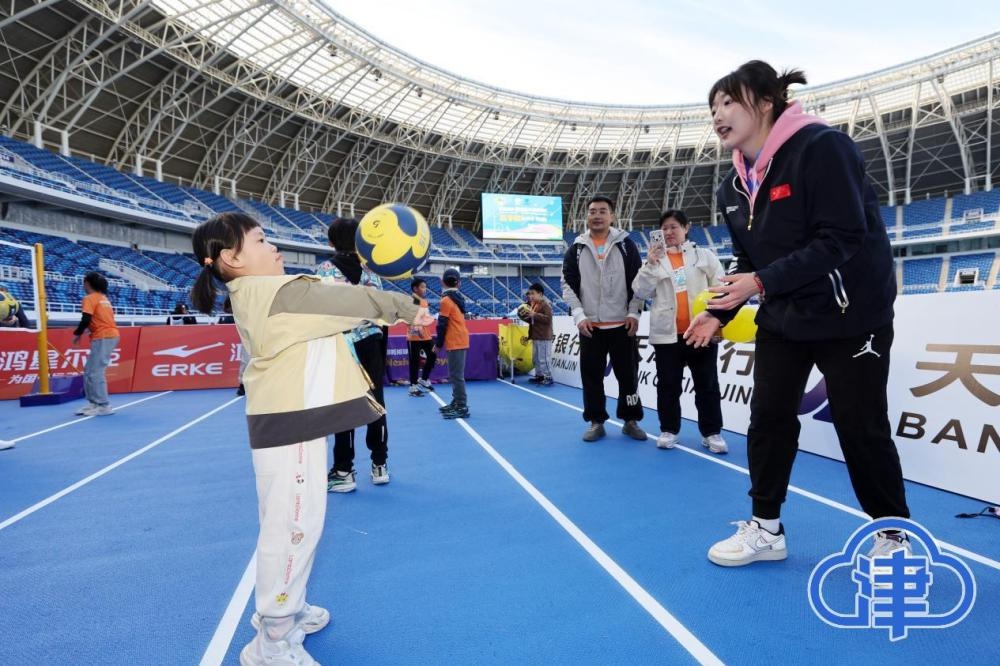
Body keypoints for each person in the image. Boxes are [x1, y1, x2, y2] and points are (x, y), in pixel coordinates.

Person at [685, 61, 910, 567]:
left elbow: (842, 237)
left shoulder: (821, 147)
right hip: (786, 317)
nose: (718, 114)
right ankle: (766, 529)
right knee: (767, 419)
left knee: (860, 424)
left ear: (765, 102)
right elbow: (748, 259)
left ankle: (893, 536)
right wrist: (720, 313)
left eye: (728, 102)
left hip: (853, 316)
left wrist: (761, 282)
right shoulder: (731, 189)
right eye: (712, 107)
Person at [190, 212, 429, 665]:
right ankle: (274, 640)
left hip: (286, 422)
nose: (273, 246)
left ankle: (288, 611)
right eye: (260, 240)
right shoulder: (279, 295)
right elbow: (349, 302)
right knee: (294, 528)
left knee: (287, 523)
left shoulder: (259, 292)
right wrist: (408, 308)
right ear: (230, 257)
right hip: (290, 426)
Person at [632, 210, 728, 453]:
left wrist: (717, 321)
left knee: (707, 385)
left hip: (700, 333)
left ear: (686, 228)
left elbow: (721, 286)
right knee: (668, 385)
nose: (668, 232)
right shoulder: (655, 260)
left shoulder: (704, 255)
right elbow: (641, 291)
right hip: (667, 334)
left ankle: (712, 432)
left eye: (674, 227)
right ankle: (669, 429)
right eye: (664, 228)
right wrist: (650, 263)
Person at [315, 217, 393, 493]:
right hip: (371, 342)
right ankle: (380, 465)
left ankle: (344, 471)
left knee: (344, 405)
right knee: (375, 403)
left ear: (331, 242)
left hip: (341, 345)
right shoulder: (372, 274)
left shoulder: (323, 271)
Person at [561, 195, 646, 442]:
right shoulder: (575, 249)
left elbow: (638, 283)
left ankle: (631, 420)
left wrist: (633, 312)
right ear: (586, 216)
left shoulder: (626, 245)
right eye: (592, 211)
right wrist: (579, 315)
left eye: (602, 211)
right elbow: (567, 285)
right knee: (591, 377)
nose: (597, 215)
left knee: (628, 376)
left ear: (612, 216)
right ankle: (596, 421)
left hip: (622, 326)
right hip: (591, 328)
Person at [71, 272, 119, 417]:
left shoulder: (90, 298)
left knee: (96, 371)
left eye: (84, 283)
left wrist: (77, 333)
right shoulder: (103, 298)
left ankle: (103, 405)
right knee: (89, 370)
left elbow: (86, 318)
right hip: (107, 335)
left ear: (87, 283)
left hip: (104, 336)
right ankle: (93, 403)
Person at [436, 268, 470, 419]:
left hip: (455, 340)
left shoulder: (446, 300)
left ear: (442, 282)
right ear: (459, 284)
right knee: (455, 374)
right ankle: (457, 402)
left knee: (456, 375)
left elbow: (441, 324)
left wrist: (438, 344)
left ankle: (461, 406)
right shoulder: (457, 297)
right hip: (459, 339)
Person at [518, 283, 554, 385]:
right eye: (529, 294)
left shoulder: (546, 304)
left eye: (533, 294)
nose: (530, 296)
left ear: (540, 294)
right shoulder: (533, 305)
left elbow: (548, 319)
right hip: (536, 336)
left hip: (544, 337)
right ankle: (539, 376)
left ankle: (548, 377)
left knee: (543, 359)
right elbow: (533, 321)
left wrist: (534, 314)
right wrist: (526, 318)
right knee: (536, 359)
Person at [406, 277, 437, 397]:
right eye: (422, 287)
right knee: (414, 362)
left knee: (433, 354)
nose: (425, 289)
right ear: (415, 288)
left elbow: (425, 317)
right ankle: (413, 386)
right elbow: (412, 318)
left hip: (426, 336)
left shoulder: (424, 302)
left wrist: (431, 318)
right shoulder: (410, 301)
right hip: (414, 336)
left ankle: (423, 380)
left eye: (425, 287)